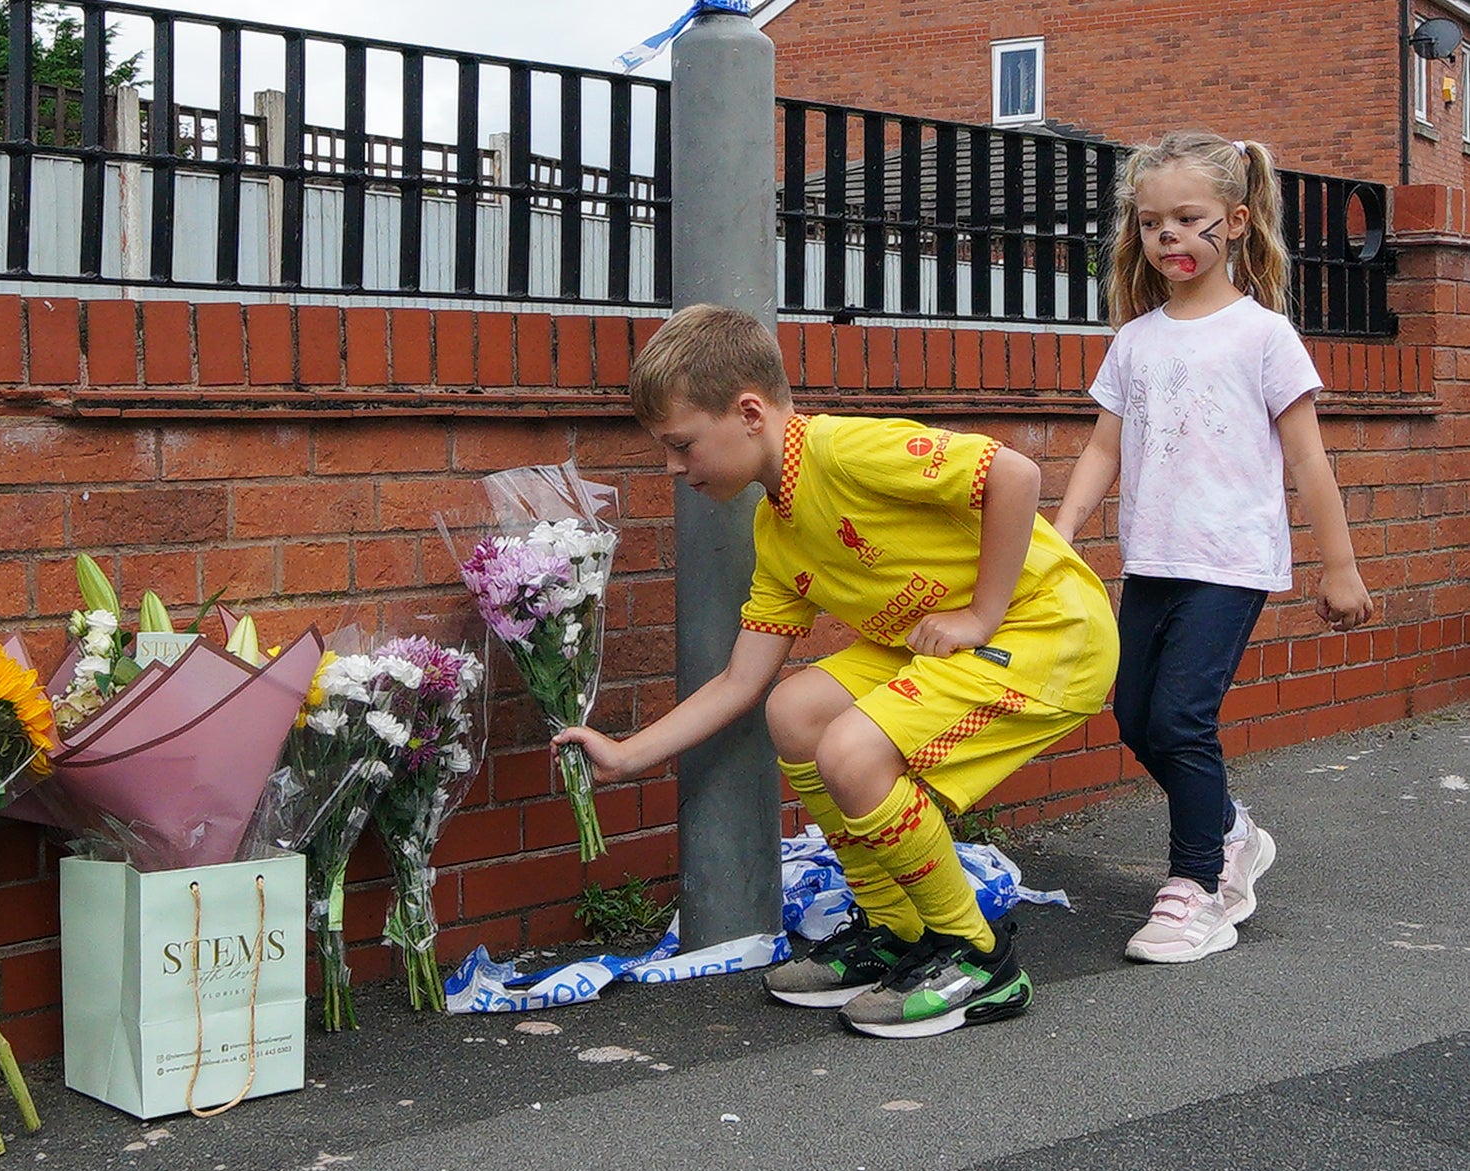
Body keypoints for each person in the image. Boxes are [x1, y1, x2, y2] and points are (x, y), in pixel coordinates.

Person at [555, 303, 1117, 1039]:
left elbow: (1012, 474)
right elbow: (739, 682)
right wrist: (625, 756)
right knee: (796, 711)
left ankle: (977, 959)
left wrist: (981, 616)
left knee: (853, 749)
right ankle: (900, 935)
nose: (673, 467)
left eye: (682, 445)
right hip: (941, 642)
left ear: (749, 412)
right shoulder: (776, 529)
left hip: (1048, 632)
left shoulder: (845, 451)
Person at [1052, 130, 1374, 965]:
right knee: (1133, 715)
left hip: (1227, 561)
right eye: (1152, 222)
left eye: (1187, 219)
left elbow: (1307, 456)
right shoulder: (1136, 340)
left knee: (1182, 720)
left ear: (1232, 223)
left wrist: (1339, 567)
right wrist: (1058, 536)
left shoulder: (1261, 335)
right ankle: (1230, 828)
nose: (1168, 236)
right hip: (1152, 559)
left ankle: (1199, 884)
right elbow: (1102, 450)